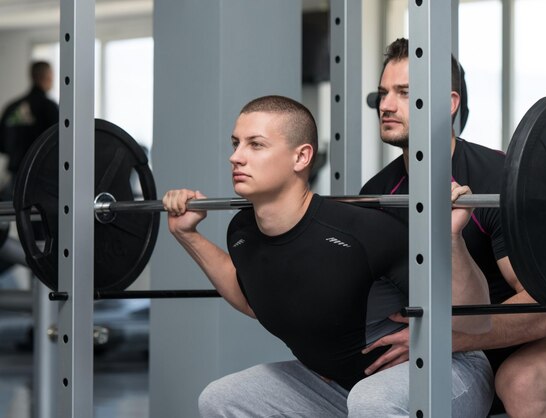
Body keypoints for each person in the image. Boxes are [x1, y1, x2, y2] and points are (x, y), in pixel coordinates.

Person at [163, 94, 494, 417]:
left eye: (256, 144)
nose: (236, 157)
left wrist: (451, 237)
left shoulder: (362, 231)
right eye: (235, 143)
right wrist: (187, 234)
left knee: (372, 401)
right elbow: (251, 298)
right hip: (344, 388)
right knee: (222, 399)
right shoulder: (243, 232)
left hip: (446, 371)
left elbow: (475, 320)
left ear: (301, 157)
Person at [360, 38, 546, 418]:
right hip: (461, 351)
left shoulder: (495, 180)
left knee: (521, 382)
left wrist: (438, 339)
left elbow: (544, 312)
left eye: (403, 93)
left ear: (448, 104)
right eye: (383, 93)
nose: (385, 105)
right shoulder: (379, 193)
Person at [0, 61, 59, 197]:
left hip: (15, 177)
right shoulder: (49, 108)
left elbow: (2, 145)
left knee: (13, 215)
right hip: (42, 179)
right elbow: (60, 142)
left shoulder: (12, 107)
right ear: (48, 76)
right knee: (38, 217)